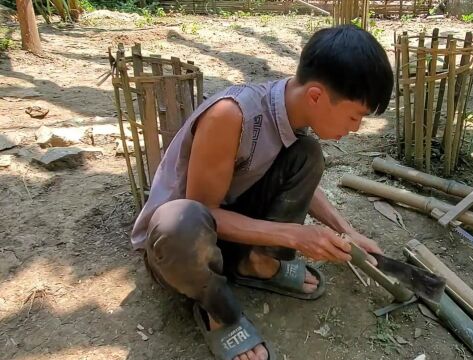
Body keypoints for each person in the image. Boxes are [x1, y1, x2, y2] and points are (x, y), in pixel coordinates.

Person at [130, 24, 394, 360]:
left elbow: (294, 181)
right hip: (179, 245)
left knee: (307, 155)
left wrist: (348, 232)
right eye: (355, 116)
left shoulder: (291, 110)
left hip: (227, 224)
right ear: (316, 96)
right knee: (179, 222)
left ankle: (256, 262)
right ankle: (218, 311)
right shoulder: (232, 114)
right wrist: (295, 236)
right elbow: (202, 211)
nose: (355, 128)